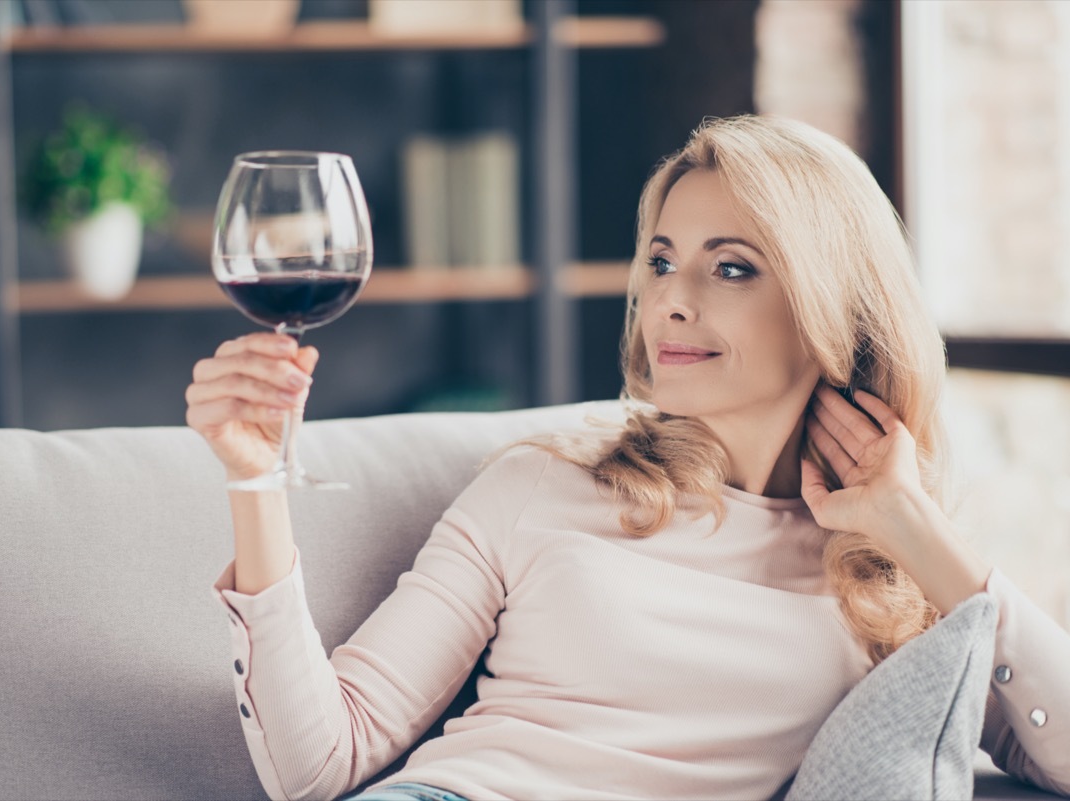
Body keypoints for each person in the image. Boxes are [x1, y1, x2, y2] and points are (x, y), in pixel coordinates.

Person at [185, 115, 1070, 801]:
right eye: (660, 260)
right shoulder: (539, 483)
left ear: (831, 310)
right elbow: (316, 760)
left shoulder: (890, 580)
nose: (672, 302)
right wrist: (255, 477)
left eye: (731, 269)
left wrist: (910, 525)